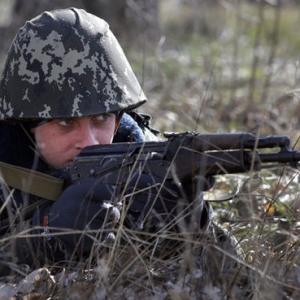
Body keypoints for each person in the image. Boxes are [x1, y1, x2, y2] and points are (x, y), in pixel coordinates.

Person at [0, 8, 213, 276]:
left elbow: (233, 272)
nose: (90, 142)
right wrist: (42, 240)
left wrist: (192, 225)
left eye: (102, 118)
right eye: (66, 122)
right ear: (26, 123)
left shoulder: (143, 152)